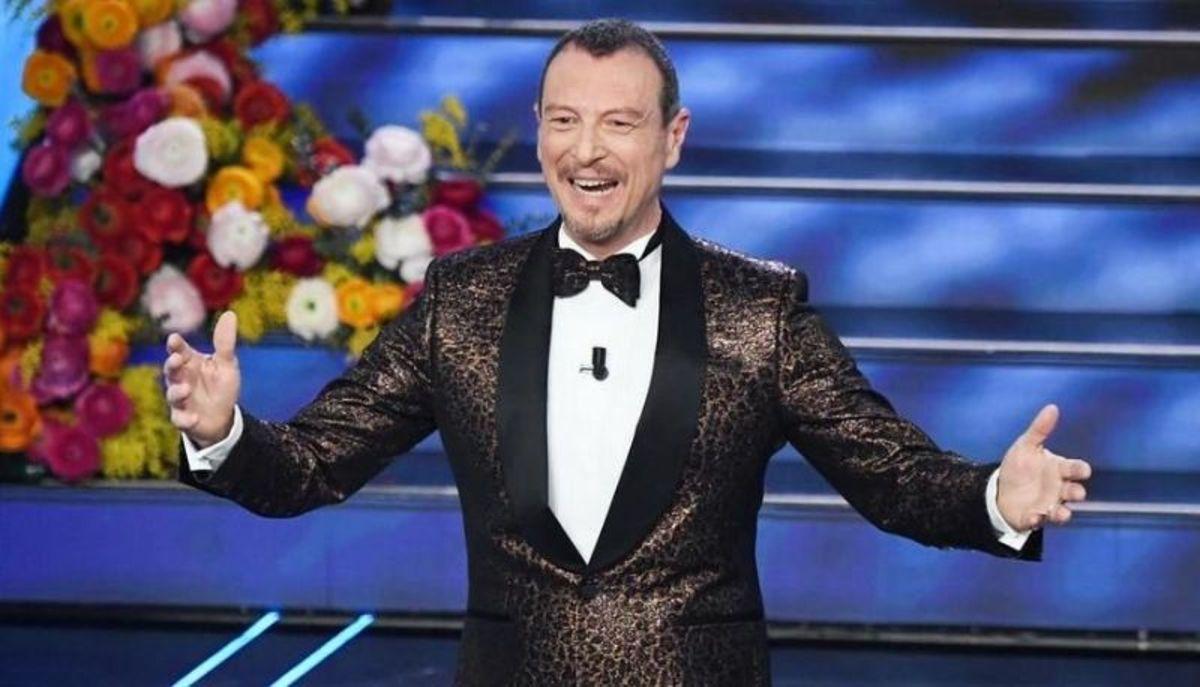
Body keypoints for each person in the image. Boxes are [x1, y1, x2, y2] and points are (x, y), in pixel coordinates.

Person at [166, 18, 1092, 685]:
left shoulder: (758, 308)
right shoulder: (462, 299)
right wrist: (221, 432)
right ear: (539, 130)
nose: (587, 151)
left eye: (619, 122)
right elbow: (313, 463)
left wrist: (992, 497)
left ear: (672, 138)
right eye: (564, 120)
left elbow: (890, 474)